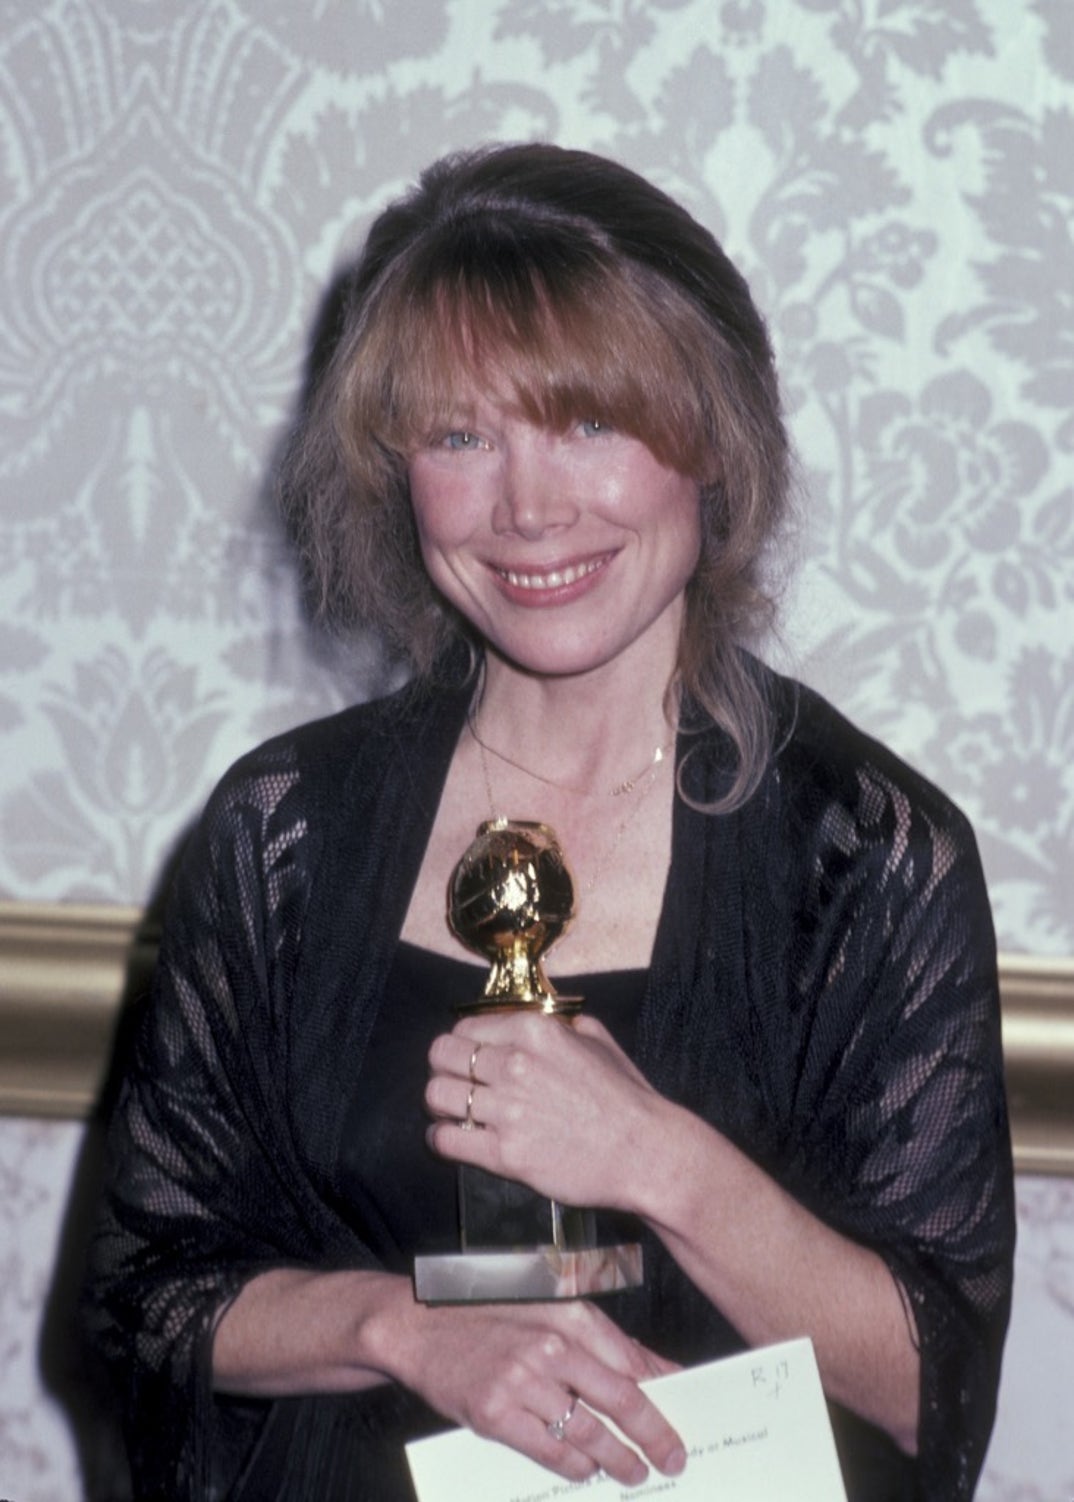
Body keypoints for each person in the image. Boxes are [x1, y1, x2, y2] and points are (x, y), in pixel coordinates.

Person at [84, 143, 1014, 1502]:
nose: (527, 508)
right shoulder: (285, 832)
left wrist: (662, 1158)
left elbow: (935, 1390)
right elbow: (140, 1299)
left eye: (585, 421)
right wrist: (399, 1329)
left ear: (715, 438)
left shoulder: (865, 855)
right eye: (462, 436)